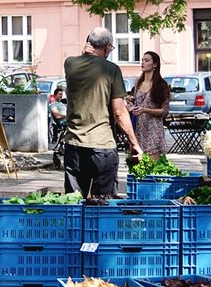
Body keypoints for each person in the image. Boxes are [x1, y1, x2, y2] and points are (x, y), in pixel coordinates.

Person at [63, 27, 143, 198]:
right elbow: (119, 112)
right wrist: (134, 143)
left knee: (73, 201)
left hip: (74, 144)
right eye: (111, 48)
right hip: (102, 145)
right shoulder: (111, 69)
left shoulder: (70, 64)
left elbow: (80, 59)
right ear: (107, 47)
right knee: (103, 202)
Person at [128, 51, 170, 158]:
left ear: (154, 64)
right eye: (142, 60)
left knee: (151, 167)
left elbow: (164, 111)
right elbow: (137, 103)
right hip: (138, 128)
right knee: (137, 166)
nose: (143, 63)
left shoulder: (161, 85)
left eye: (146, 60)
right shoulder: (138, 82)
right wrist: (131, 106)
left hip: (153, 129)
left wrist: (145, 110)